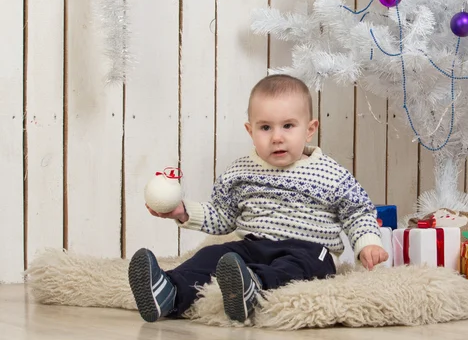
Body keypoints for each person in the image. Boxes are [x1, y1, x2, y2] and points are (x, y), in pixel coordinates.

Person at [128, 74, 389, 324]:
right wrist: (183, 212)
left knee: (299, 266)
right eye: (265, 127)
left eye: (288, 126)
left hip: (310, 248)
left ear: (310, 130)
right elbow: (222, 216)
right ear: (250, 130)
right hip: (252, 246)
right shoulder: (239, 172)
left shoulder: (331, 173)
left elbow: (357, 211)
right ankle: (170, 291)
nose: (277, 137)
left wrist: (367, 243)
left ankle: (254, 288)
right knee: (212, 254)